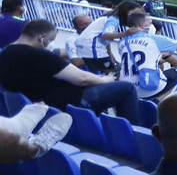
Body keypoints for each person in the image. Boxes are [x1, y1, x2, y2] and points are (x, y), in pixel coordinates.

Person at [0, 19, 138, 120]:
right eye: (50, 39)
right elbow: (81, 79)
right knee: (127, 88)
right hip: (69, 103)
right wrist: (105, 80)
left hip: (41, 102)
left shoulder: (6, 52)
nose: (50, 43)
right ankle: (133, 132)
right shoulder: (40, 55)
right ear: (41, 38)